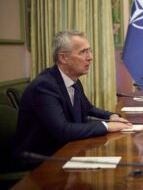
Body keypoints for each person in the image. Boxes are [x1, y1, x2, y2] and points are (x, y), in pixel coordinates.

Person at [14, 30, 132, 161]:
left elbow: (87, 108)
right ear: (63, 58)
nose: (90, 57)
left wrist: (112, 116)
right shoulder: (44, 87)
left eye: (89, 50)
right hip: (40, 160)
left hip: (65, 151)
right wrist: (107, 126)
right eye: (83, 52)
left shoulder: (73, 80)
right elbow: (63, 130)